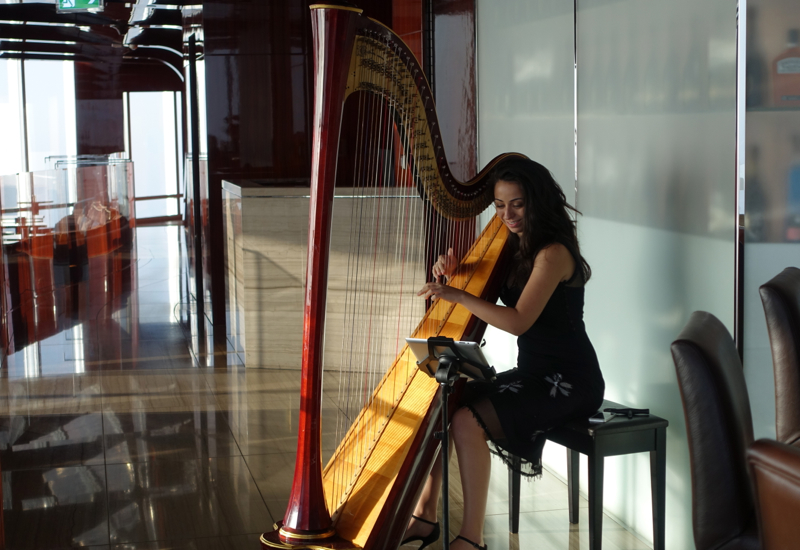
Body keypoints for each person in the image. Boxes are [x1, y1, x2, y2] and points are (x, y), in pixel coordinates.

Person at [403, 157, 605, 550]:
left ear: (538, 201)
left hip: (571, 380)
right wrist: (456, 272)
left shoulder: (554, 253)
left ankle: (471, 538)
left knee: (465, 421)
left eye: (517, 204)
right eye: (498, 205)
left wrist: (458, 294)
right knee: (447, 400)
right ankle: (426, 515)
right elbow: (480, 292)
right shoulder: (515, 245)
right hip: (532, 372)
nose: (507, 214)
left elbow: (516, 322)